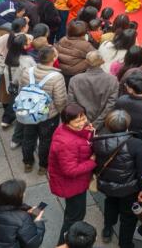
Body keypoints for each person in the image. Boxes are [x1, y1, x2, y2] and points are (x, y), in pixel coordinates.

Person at [92, 110, 142, 247]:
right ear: (127, 125)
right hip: (129, 188)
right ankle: (125, 243)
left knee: (110, 203)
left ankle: (107, 229)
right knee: (128, 217)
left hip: (107, 184)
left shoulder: (99, 141)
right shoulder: (136, 143)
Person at [48, 103, 96, 244]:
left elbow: (81, 140)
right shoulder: (66, 144)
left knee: (74, 213)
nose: (83, 122)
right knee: (74, 217)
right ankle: (65, 243)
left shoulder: (66, 130)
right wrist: (92, 161)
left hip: (74, 183)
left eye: (83, 118)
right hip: (72, 185)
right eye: (78, 121)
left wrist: (89, 132)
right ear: (67, 122)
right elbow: (70, 170)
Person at [18, 46, 66, 173]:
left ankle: (27, 162)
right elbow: (60, 100)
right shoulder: (57, 76)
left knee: (28, 137)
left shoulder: (27, 71)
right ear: (54, 58)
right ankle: (43, 166)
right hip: (48, 115)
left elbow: (21, 90)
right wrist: (62, 113)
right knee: (46, 140)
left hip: (28, 112)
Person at [0, 179, 46, 248]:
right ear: (16, 198)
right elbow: (33, 243)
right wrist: (38, 221)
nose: (24, 194)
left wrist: (24, 210)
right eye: (22, 193)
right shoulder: (22, 219)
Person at [67, 51, 118, 131]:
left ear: (86, 62)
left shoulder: (75, 80)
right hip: (101, 125)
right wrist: (97, 123)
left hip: (79, 123)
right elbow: (110, 105)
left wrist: (83, 121)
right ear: (102, 61)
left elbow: (71, 102)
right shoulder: (112, 80)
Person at [55, 20, 95, 86]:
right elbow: (95, 56)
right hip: (75, 73)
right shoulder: (85, 45)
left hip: (61, 69)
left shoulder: (63, 39)